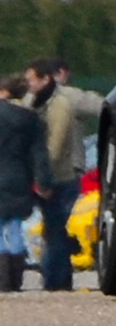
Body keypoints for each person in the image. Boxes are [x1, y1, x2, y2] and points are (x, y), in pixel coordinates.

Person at [24, 57, 103, 292]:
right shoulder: (31, 100)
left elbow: (102, 105)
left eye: (31, 79)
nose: (27, 84)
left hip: (63, 172)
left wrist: (41, 174)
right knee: (51, 228)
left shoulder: (67, 99)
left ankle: (56, 280)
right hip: (42, 174)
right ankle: (56, 277)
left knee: (55, 228)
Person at [0, 83, 48, 292]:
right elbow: (39, 153)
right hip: (18, 176)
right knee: (15, 226)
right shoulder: (28, 118)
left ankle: (1, 276)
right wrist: (43, 180)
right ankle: (15, 277)